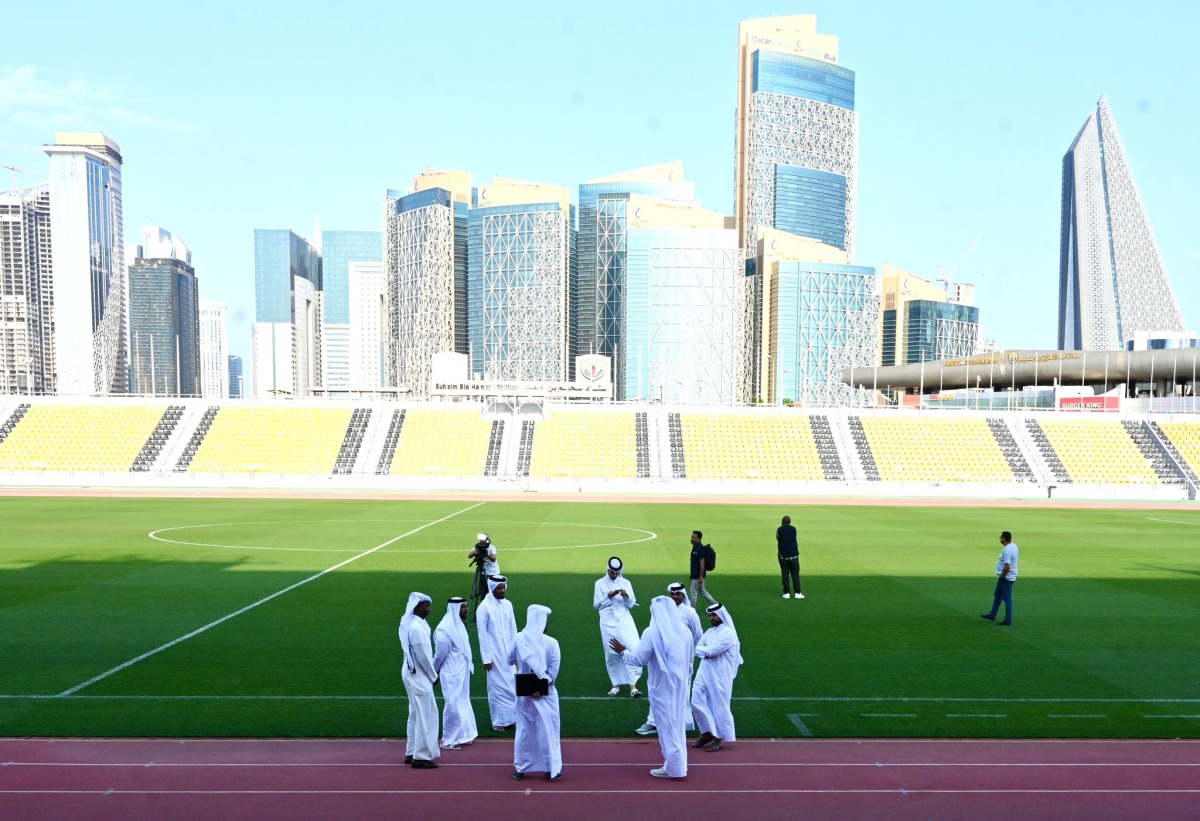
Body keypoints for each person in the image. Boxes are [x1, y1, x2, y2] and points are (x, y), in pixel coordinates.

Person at [610, 596, 692, 779]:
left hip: (661, 688)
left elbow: (638, 659)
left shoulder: (651, 632)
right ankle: (678, 764)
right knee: (676, 725)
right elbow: (690, 659)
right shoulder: (684, 631)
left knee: (666, 727)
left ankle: (674, 768)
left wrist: (623, 651)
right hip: (680, 687)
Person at [635, 582, 702, 737]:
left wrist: (688, 658)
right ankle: (652, 722)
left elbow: (698, 637)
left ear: (683, 595)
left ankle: (678, 724)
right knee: (657, 690)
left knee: (680, 692)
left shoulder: (690, 613)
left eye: (677, 594)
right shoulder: (662, 612)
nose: (674, 597)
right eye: (672, 594)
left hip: (681, 661)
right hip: (660, 660)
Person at [509, 604, 563, 782]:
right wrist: (541, 687)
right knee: (548, 730)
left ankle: (521, 769)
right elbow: (553, 672)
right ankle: (551, 769)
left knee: (524, 731)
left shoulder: (518, 638)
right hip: (546, 694)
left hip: (524, 694)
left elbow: (509, 659)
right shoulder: (552, 642)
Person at [691, 602, 743, 752]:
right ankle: (706, 732)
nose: (711, 618)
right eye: (710, 615)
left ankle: (718, 737)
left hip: (720, 675)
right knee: (696, 700)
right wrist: (703, 650)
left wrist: (703, 650)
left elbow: (713, 651)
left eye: (714, 615)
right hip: (704, 671)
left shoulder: (728, 633)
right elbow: (699, 647)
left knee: (719, 705)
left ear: (721, 615)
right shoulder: (709, 632)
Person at [399, 591, 440, 769]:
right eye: (426, 607)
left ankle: (411, 751)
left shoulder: (416, 623)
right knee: (426, 714)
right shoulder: (416, 627)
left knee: (415, 713)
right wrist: (434, 676)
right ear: (417, 607)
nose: (429, 610)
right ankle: (421, 755)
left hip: (411, 672)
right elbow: (422, 656)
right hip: (419, 675)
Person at [593, 556, 644, 698]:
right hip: (607, 624)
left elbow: (631, 604)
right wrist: (607, 597)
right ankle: (615, 685)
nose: (615, 575)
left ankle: (633, 685)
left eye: (617, 572)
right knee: (611, 654)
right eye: (612, 572)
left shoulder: (626, 582)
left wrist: (626, 595)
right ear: (608, 570)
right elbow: (596, 605)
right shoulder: (599, 584)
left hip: (624, 622)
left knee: (632, 648)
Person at [432, 596, 478, 750]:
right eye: (463, 607)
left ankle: (464, 735)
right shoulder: (444, 629)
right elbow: (440, 654)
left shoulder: (458, 624)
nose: (466, 610)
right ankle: (449, 739)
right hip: (451, 672)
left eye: (465, 607)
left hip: (462, 672)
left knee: (463, 701)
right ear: (455, 608)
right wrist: (435, 671)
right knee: (452, 703)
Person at [476, 574, 518, 731]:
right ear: (492, 588)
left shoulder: (508, 605)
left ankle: (513, 718)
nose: (502, 591)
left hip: (510, 653)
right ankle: (499, 721)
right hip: (494, 655)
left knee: (513, 684)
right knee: (497, 687)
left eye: (503, 588)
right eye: (499, 588)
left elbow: (513, 628)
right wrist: (486, 658)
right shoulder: (484, 608)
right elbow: (482, 634)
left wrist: (516, 651)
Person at [981, 531, 1019, 626]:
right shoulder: (1014, 546)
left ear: (1004, 538)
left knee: (1007, 599)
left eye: (1001, 537)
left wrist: (1002, 576)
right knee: (997, 595)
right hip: (1007, 577)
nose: (1000, 539)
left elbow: (1007, 566)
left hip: (1006, 578)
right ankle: (992, 615)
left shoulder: (1007, 550)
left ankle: (1008, 620)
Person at [468, 533, 499, 618]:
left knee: (492, 592)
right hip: (482, 572)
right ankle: (483, 612)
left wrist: (486, 554)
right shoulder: (477, 547)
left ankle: (494, 611)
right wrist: (475, 552)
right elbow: (469, 556)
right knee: (483, 592)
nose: (482, 542)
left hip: (493, 572)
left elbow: (493, 559)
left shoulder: (492, 547)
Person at [777, 515, 804, 599]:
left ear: (782, 521)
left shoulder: (779, 529)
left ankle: (786, 593)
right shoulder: (793, 529)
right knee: (795, 574)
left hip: (783, 556)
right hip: (794, 556)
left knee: (785, 574)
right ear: (790, 521)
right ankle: (797, 593)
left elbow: (778, 538)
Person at [688, 530, 717, 607]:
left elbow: (702, 564)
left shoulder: (700, 549)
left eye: (694, 537)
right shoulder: (695, 547)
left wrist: (700, 576)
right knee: (702, 591)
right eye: (692, 537)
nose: (692, 539)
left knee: (693, 592)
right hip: (695, 574)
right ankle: (716, 604)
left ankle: (692, 610)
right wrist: (691, 574)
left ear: (699, 539)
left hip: (697, 575)